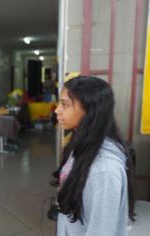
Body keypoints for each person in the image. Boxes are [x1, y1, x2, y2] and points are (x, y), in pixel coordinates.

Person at [54, 75, 135, 236]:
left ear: (90, 111)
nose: (57, 110)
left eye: (65, 104)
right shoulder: (81, 143)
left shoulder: (104, 170)